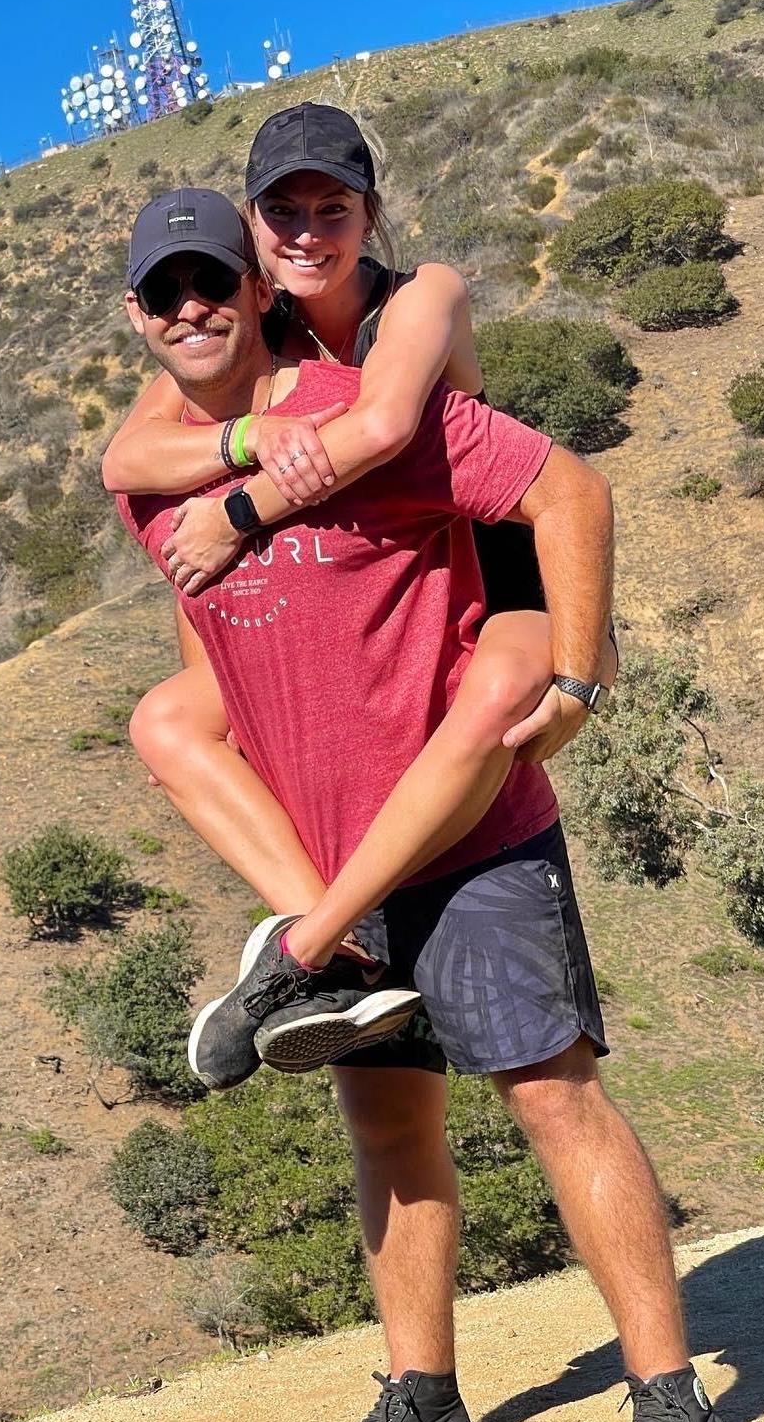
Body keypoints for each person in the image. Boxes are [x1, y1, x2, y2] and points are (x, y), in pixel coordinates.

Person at [111, 184, 733, 1422]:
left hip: (467, 835)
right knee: (389, 1128)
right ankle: (422, 1399)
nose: (191, 308)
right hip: (336, 844)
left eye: (211, 280)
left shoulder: (365, 416)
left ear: (260, 288)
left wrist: (572, 668)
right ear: (136, 318)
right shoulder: (156, 475)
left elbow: (561, 490)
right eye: (163, 295)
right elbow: (200, 630)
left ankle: (673, 1401)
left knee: (551, 1095)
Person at [103, 106, 601, 1080]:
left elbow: (378, 427)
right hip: (411, 566)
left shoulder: (416, 298)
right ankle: (319, 931)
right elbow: (124, 456)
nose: (305, 233)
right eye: (280, 211)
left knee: (499, 696)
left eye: (331, 209)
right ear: (252, 227)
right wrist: (242, 440)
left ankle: (298, 951)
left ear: (369, 218)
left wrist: (239, 510)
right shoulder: (251, 324)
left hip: (503, 569)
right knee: (167, 715)